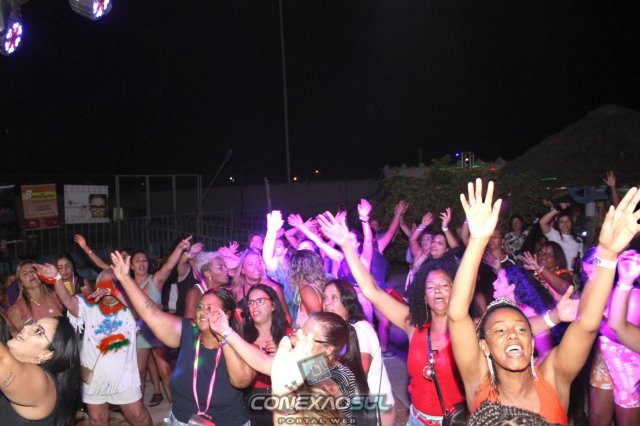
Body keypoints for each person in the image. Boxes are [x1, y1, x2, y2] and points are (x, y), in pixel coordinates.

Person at [447, 179, 640, 425]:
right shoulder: (478, 381)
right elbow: (457, 315)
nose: (513, 334)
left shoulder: (552, 377)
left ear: (531, 341)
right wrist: (477, 242)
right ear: (484, 347)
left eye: (521, 329)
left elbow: (586, 326)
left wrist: (608, 254)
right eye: (500, 330)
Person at [318, 212, 465, 425]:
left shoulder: (467, 330)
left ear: (456, 289)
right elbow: (372, 291)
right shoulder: (414, 325)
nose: (437, 290)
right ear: (422, 294)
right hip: (415, 419)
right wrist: (346, 246)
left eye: (444, 285)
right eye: (430, 286)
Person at [111, 251, 254, 426]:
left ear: (227, 314)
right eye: (201, 307)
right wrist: (125, 279)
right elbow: (152, 313)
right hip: (181, 420)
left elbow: (242, 380)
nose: (203, 312)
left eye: (210, 308)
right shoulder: (189, 331)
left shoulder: (239, 343)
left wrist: (224, 337)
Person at [208, 309, 368, 423]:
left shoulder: (338, 377)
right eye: (300, 331)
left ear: (328, 349)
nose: (297, 337)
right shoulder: (310, 364)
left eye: (305, 336)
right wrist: (225, 330)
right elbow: (262, 361)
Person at [50, 266, 152, 426]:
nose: (107, 290)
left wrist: (116, 292)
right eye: (104, 286)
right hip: (94, 378)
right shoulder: (89, 305)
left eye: (113, 285)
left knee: (138, 416)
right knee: (97, 419)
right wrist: (56, 278)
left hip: (124, 378)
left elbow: (144, 311)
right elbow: (69, 302)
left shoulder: (129, 308)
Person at [323, 279, 396, 426]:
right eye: (325, 297)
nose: (327, 303)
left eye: (334, 297)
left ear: (348, 302)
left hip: (375, 410)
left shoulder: (360, 330)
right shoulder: (336, 329)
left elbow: (359, 373)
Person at [130, 238, 192, 406]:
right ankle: (138, 410)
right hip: (140, 332)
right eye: (137, 261)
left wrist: (179, 248)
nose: (142, 263)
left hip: (158, 331)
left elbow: (169, 266)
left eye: (144, 260)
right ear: (131, 266)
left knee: (165, 371)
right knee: (140, 372)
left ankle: (176, 408)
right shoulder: (128, 285)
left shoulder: (155, 280)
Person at [1, 312, 81, 426]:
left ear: (46, 355)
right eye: (32, 323)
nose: (26, 327)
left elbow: (3, 362)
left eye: (39, 332)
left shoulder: (41, 382)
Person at [590, 249, 640, 426]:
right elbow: (617, 325)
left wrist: (597, 321)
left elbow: (617, 328)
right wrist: (625, 280)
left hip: (631, 362)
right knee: (597, 416)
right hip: (606, 351)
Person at [241, 284, 289, 426]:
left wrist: (283, 354)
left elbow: (303, 372)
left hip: (281, 397)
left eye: (260, 301)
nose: (254, 306)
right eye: (251, 302)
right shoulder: (242, 338)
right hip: (250, 399)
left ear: (273, 305)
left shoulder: (288, 336)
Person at [5, 261, 63, 337]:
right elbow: (16, 337)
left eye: (33, 270)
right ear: (21, 282)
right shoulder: (18, 309)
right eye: (25, 274)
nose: (30, 274)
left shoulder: (56, 296)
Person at [229, 248, 288, 322]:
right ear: (243, 270)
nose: (256, 267)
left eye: (259, 263)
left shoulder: (273, 288)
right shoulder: (237, 290)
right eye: (251, 264)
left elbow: (287, 318)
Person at [183, 251, 229, 319]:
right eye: (220, 268)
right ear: (207, 274)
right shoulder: (195, 292)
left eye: (225, 266)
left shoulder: (224, 291)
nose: (227, 270)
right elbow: (189, 323)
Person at [539, 202, 583, 271]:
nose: (565, 224)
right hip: (556, 274)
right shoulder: (554, 235)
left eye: (568, 221)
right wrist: (557, 209)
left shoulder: (578, 240)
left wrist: (578, 264)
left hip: (571, 274)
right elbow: (542, 223)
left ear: (572, 223)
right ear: (558, 224)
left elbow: (581, 260)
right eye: (562, 222)